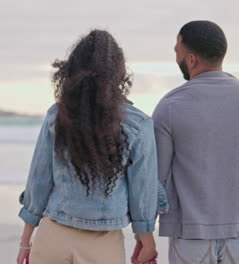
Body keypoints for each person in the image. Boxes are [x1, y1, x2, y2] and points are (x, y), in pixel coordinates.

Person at [16, 29, 167, 264]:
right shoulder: (138, 124)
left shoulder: (57, 115)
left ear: (73, 69)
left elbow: (39, 180)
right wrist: (146, 240)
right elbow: (142, 190)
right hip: (103, 243)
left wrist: (25, 240)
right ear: (118, 72)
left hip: (52, 236)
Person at [152, 21, 239, 263]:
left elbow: (158, 180)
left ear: (191, 59)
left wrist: (147, 228)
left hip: (191, 233)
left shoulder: (169, 106)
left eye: (177, 51)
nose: (176, 57)